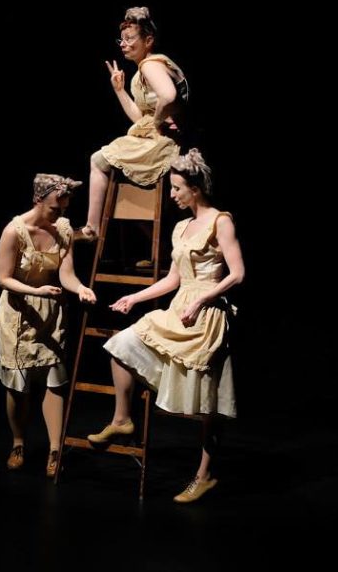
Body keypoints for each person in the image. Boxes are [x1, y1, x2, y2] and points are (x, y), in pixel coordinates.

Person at [87, 149, 245, 503]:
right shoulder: (180, 227)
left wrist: (202, 300)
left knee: (208, 403)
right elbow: (174, 278)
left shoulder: (221, 221)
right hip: (180, 308)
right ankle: (122, 419)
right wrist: (135, 299)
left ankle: (204, 475)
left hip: (206, 314)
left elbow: (237, 273)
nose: (172, 195)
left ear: (196, 188)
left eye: (177, 188)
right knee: (123, 344)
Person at [0, 173, 96, 477]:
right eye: (54, 208)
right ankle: (18, 442)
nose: (59, 214)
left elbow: (66, 273)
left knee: (55, 378)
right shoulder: (14, 231)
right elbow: (4, 278)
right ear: (38, 200)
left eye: (63, 209)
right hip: (20, 312)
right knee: (18, 384)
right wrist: (35, 291)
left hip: (52, 313)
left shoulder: (62, 228)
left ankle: (55, 449)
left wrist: (79, 288)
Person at [78, 5, 188, 242]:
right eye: (122, 39)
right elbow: (141, 119)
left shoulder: (151, 65)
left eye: (130, 39)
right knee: (124, 191)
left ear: (148, 40)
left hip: (167, 143)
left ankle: (92, 227)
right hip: (161, 138)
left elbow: (169, 96)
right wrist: (119, 90)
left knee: (98, 160)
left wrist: (158, 122)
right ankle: (155, 245)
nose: (123, 44)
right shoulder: (148, 68)